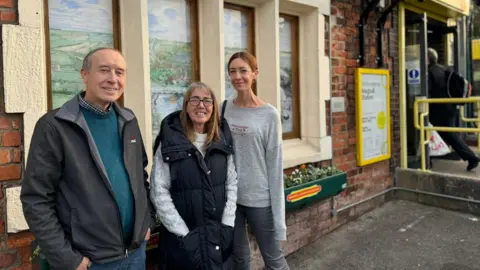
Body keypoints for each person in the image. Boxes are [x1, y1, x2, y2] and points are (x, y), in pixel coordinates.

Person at [20, 47, 156, 270]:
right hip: (89, 261)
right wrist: (67, 258)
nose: (113, 79)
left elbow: (140, 177)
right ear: (85, 74)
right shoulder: (55, 126)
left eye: (120, 72)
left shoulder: (128, 120)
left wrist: (145, 222)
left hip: (135, 253)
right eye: (104, 70)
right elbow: (36, 199)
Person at [150, 82, 238, 270]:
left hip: (218, 237)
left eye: (207, 100)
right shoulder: (170, 141)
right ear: (186, 105)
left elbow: (231, 182)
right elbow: (159, 191)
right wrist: (184, 234)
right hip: (182, 242)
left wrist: (228, 224)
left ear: (214, 107)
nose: (201, 105)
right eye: (195, 99)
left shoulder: (222, 139)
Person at [222, 51, 290, 270]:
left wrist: (278, 215)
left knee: (274, 260)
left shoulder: (269, 114)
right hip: (231, 198)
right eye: (233, 71)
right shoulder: (223, 109)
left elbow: (274, 164)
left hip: (260, 199)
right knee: (240, 260)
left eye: (243, 70)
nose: (238, 76)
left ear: (255, 74)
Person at [427, 48, 480, 171]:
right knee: (449, 135)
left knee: (426, 131)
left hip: (438, 109)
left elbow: (428, 92)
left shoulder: (430, 72)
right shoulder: (445, 69)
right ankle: (471, 157)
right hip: (450, 108)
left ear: (428, 58)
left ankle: (426, 160)